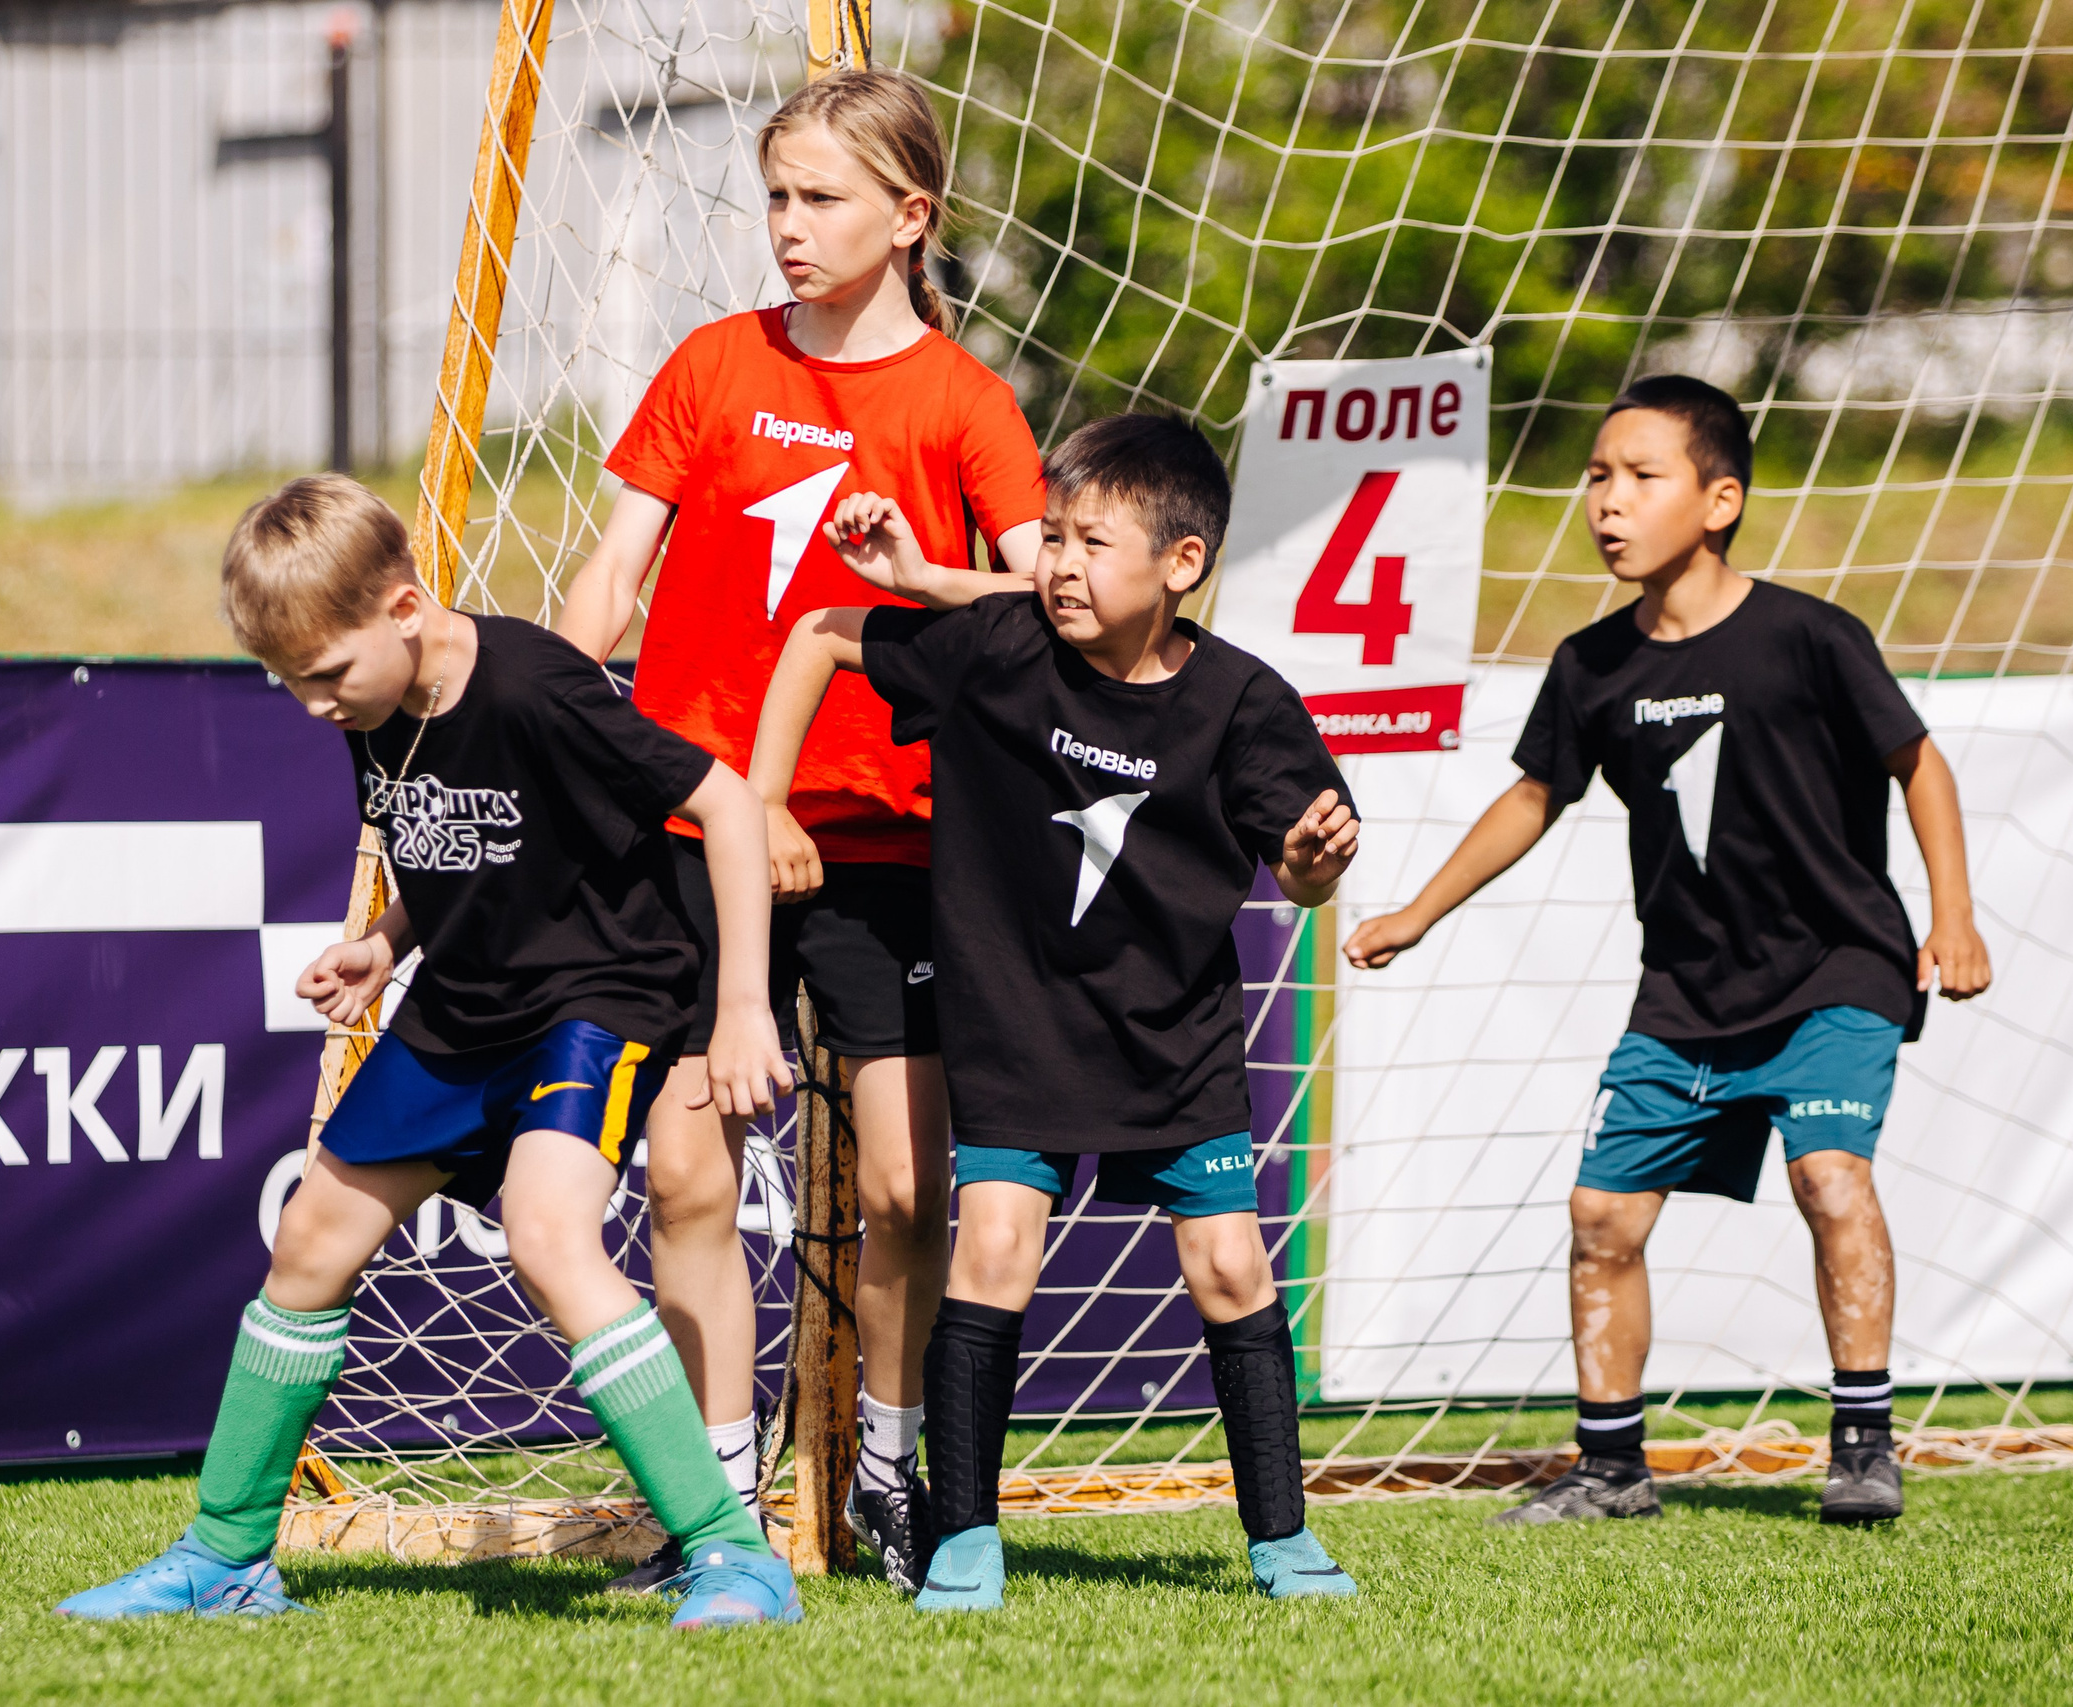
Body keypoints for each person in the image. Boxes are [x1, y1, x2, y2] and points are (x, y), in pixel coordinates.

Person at [54, 474, 801, 1627]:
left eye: (324, 676)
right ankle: (226, 1557)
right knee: (309, 1238)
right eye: (287, 682)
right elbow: (462, 847)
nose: (310, 706)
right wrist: (383, 943)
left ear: (404, 609)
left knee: (550, 1232)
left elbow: (732, 805)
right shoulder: (375, 705)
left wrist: (744, 1004)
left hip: (592, 1001)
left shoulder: (536, 684)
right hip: (459, 1005)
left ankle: (727, 1551)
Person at [555, 66, 1046, 1591]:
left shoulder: (966, 403)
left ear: (912, 217)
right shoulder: (709, 367)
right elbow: (606, 583)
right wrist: (559, 750)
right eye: (775, 195)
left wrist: (913, 576)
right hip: (699, 838)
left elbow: (1054, 604)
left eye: (821, 197)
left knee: (907, 1186)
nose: (787, 225)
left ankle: (894, 1471)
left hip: (891, 848)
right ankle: (719, 1510)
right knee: (692, 1175)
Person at [1345, 376, 1992, 1527]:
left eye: (1641, 477)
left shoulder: (1811, 637)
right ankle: (1610, 1469)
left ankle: (1860, 1446)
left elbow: (1921, 765)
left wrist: (1952, 916)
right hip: (1686, 993)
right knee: (1602, 1220)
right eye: (1596, 476)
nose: (1607, 500)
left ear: (1718, 499)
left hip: (1837, 971)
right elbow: (1532, 797)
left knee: (1828, 1178)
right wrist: (1414, 912)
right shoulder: (1591, 665)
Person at [750, 413, 1363, 1611]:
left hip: (1171, 1043)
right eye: (1054, 537)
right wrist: (767, 802)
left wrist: (1312, 860)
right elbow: (822, 634)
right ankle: (966, 1540)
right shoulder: (998, 648)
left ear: (1181, 565)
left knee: (1233, 1268)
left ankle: (1283, 1540)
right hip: (1015, 1029)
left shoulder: (1245, 703)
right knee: (990, 1253)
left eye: (1093, 542)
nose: (1060, 563)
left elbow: (1302, 868)